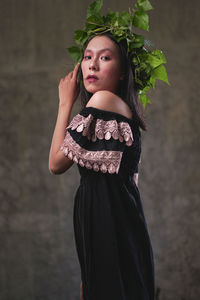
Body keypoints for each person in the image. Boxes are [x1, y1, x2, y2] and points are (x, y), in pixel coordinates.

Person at [49, 31, 155, 300]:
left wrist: (64, 104)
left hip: (107, 222)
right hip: (117, 223)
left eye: (104, 58)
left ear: (122, 72)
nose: (92, 65)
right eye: (87, 57)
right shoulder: (124, 114)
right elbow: (133, 183)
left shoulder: (102, 101)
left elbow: (55, 164)